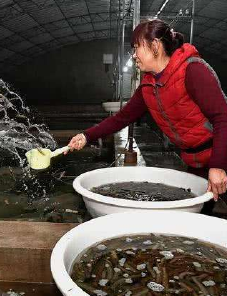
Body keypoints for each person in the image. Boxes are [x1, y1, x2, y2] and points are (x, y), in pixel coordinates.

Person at [67, 19, 227, 214]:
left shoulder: (192, 70)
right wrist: (86, 136)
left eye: (136, 48)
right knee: (200, 217)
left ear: (155, 45)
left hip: (221, 153)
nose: (134, 55)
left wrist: (218, 166)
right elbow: (122, 118)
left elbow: (223, 118)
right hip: (196, 160)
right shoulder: (148, 86)